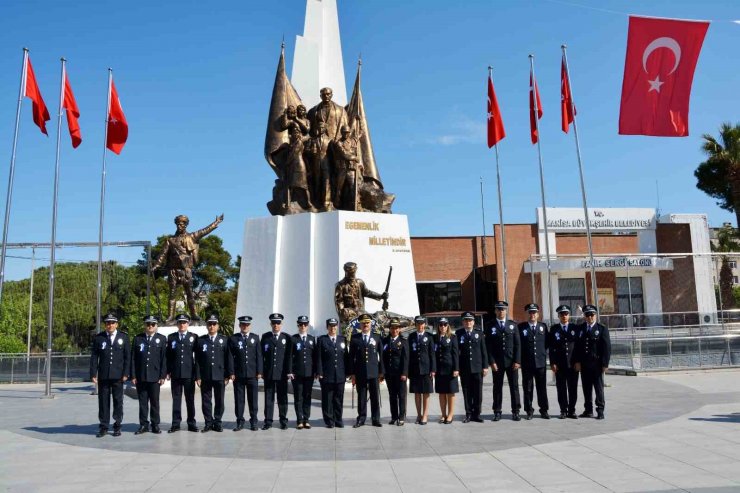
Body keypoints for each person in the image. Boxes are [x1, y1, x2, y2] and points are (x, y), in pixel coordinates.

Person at [151, 214, 223, 322]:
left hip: (186, 270)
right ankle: (170, 316)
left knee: (189, 293)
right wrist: (156, 265)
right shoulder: (170, 240)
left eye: (182, 224)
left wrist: (216, 223)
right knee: (172, 294)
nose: (180, 226)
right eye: (178, 224)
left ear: (186, 225)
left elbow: (205, 231)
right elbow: (162, 254)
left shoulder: (192, 237)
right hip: (173, 270)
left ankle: (194, 314)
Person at [90, 313, 130, 437]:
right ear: (105, 325)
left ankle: (117, 425)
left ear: (116, 324)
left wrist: (126, 373)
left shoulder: (123, 337)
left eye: (112, 323)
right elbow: (94, 357)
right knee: (103, 401)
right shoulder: (99, 338)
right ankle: (104, 426)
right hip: (103, 375)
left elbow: (127, 357)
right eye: (108, 323)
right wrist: (93, 373)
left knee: (118, 401)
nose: (110, 325)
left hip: (118, 376)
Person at [485, 301, 522, 422]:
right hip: (497, 363)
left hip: (512, 362)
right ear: (495, 311)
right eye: (499, 309)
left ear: (506, 311)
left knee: (514, 387)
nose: (501, 312)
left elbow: (517, 344)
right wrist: (492, 362)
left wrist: (517, 360)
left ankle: (516, 411)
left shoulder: (513, 325)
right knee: (497, 387)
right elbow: (488, 346)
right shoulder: (490, 325)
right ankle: (497, 411)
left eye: (503, 309)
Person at [195, 315, 233, 432]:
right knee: (206, 401)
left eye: (214, 324)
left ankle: (217, 422)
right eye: (209, 324)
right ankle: (208, 422)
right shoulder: (201, 340)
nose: (212, 326)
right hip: (205, 376)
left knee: (219, 400)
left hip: (220, 375)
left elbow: (228, 358)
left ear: (218, 326)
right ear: (207, 326)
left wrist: (228, 374)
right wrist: (198, 376)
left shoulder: (224, 340)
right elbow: (197, 360)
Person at [131, 315, 167, 435]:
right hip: (141, 376)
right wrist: (134, 375)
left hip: (155, 377)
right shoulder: (138, 339)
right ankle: (143, 425)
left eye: (153, 324)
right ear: (144, 326)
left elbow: (164, 359)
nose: (150, 326)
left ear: (156, 326)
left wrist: (162, 376)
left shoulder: (161, 339)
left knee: (155, 402)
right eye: (148, 324)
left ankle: (155, 424)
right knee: (142, 402)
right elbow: (133, 359)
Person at [574, 304, 611, 420]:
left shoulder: (601, 328)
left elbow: (607, 347)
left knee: (598, 388)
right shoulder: (580, 328)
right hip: (584, 364)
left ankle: (600, 409)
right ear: (584, 316)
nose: (590, 317)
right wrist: (577, 361)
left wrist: (605, 364)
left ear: (595, 315)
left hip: (597, 364)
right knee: (586, 388)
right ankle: (588, 410)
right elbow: (577, 347)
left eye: (592, 315)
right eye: (587, 315)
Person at [348, 313, 384, 427]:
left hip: (374, 372)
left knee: (374, 397)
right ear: (360, 324)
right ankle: (361, 418)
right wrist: (352, 373)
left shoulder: (377, 337)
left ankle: (375, 419)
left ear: (371, 324)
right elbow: (350, 357)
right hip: (360, 372)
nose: (365, 325)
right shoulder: (355, 338)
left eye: (367, 323)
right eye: (363, 323)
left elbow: (381, 356)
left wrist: (381, 372)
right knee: (362, 397)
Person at [228, 315, 263, 431]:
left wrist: (259, 371)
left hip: (253, 374)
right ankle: (239, 421)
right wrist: (231, 372)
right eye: (243, 324)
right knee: (239, 400)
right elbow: (230, 357)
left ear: (250, 326)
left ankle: (254, 421)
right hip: (238, 374)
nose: (245, 326)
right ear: (239, 326)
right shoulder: (233, 339)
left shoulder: (255, 338)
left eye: (247, 325)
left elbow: (259, 356)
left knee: (253, 400)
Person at [166, 313, 199, 433]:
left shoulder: (193, 337)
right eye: (180, 322)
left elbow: (198, 358)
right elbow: (168, 356)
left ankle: (191, 423)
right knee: (176, 400)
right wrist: (168, 371)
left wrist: (197, 375)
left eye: (184, 322)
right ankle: (175, 424)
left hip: (189, 374)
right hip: (176, 374)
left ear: (188, 323)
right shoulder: (171, 338)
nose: (182, 324)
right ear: (177, 324)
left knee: (190, 400)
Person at [548, 305, 580, 419]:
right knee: (561, 389)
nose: (564, 316)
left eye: (566, 314)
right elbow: (551, 348)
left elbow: (578, 347)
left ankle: (572, 410)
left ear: (569, 315)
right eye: (562, 314)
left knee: (573, 388)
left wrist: (578, 362)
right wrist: (552, 363)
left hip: (572, 364)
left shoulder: (575, 328)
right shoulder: (554, 329)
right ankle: (563, 410)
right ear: (558, 316)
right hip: (560, 365)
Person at [261, 313, 292, 430]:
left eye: (278, 323)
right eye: (274, 323)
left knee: (282, 397)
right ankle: (268, 421)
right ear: (270, 324)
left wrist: (289, 371)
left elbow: (288, 357)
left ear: (281, 324)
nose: (276, 325)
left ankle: (283, 420)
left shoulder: (286, 338)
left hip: (282, 373)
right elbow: (261, 355)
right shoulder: (265, 337)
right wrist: (261, 371)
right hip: (268, 373)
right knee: (268, 398)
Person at [456, 311, 488, 423]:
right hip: (465, 368)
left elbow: (484, 351)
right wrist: (457, 368)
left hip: (477, 367)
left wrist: (485, 366)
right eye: (466, 320)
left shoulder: (479, 333)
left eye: (470, 320)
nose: (468, 322)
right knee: (467, 392)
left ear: (473, 322)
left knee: (478, 392)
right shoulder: (458, 333)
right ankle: (468, 413)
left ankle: (477, 414)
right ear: (463, 322)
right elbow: (456, 352)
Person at [316, 318, 349, 428]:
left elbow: (346, 357)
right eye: (330, 326)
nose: (333, 328)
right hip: (326, 374)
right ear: (327, 327)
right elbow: (319, 358)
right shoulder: (322, 340)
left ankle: (338, 419)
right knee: (327, 399)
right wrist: (319, 372)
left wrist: (348, 372)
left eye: (335, 326)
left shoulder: (342, 339)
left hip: (340, 374)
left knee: (339, 398)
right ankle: (329, 420)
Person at [519, 303, 550, 420]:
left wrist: (541, 354)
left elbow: (547, 343)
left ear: (538, 314)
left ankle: (544, 410)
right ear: (527, 314)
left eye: (534, 313)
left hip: (540, 362)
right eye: (530, 312)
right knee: (527, 388)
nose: (532, 315)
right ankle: (529, 410)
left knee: (542, 387)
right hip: (527, 363)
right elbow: (519, 345)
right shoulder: (521, 327)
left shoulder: (543, 326)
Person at [289, 315, 317, 429]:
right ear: (298, 325)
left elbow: (314, 357)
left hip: (309, 373)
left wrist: (315, 371)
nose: (303, 326)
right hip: (297, 373)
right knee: (298, 397)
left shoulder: (311, 339)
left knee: (307, 396)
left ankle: (306, 419)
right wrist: (290, 371)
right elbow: (290, 356)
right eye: (301, 324)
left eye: (305, 324)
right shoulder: (293, 339)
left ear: (308, 325)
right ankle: (299, 420)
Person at [408, 315, 436, 425]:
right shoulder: (411, 337)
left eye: (422, 323)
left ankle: (425, 415)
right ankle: (418, 415)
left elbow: (432, 354)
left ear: (425, 324)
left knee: (426, 393)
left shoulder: (429, 337)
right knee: (417, 393)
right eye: (418, 323)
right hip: (414, 369)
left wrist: (433, 369)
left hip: (426, 369)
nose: (420, 325)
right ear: (415, 325)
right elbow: (409, 354)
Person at [382, 318, 409, 426]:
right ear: (389, 329)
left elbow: (406, 359)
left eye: (396, 328)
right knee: (392, 396)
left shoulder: (403, 341)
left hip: (400, 373)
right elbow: (383, 358)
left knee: (401, 395)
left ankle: (401, 417)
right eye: (392, 328)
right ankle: (394, 416)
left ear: (399, 329)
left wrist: (404, 373)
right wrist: (382, 373)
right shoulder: (385, 341)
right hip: (389, 373)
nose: (394, 330)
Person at [434, 318, 459, 424]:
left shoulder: (452, 337)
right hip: (439, 370)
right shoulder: (434, 338)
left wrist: (456, 368)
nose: (443, 327)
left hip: (450, 369)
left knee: (450, 392)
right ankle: (443, 414)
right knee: (441, 393)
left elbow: (455, 354)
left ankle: (450, 414)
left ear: (448, 326)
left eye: (445, 324)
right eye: (441, 325)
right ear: (438, 326)